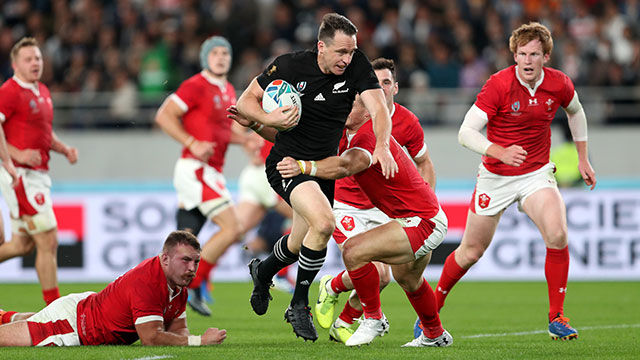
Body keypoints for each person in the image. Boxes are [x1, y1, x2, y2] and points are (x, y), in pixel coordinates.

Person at [232, 13, 397, 341]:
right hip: (287, 164)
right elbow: (244, 102)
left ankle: (262, 272)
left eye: (351, 52)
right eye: (340, 52)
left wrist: (382, 145)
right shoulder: (290, 67)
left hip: (322, 168)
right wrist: (268, 117)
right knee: (324, 224)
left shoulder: (357, 66)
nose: (346, 59)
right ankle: (298, 304)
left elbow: (379, 110)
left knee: (298, 242)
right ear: (321, 47)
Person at [435, 22, 596, 341]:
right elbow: (465, 132)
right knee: (470, 252)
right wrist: (498, 151)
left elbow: (576, 112)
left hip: (536, 174)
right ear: (514, 55)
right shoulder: (498, 85)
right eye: (521, 53)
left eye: (534, 54)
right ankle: (431, 311)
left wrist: (582, 158)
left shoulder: (559, 83)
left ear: (546, 56)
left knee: (558, 233)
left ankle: (556, 317)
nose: (527, 60)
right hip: (495, 177)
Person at [276, 95, 451, 347]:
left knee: (354, 251)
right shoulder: (347, 132)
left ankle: (372, 318)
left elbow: (346, 166)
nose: (346, 106)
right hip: (412, 217)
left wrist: (303, 166)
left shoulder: (368, 136)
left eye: (354, 103)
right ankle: (435, 334)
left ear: (368, 113)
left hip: (422, 221)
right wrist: (257, 123)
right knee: (409, 280)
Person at [313, 58, 436, 343]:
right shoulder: (348, 115)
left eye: (385, 83)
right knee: (377, 273)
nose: (379, 88)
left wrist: (423, 200)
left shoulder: (407, 121)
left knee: (388, 277)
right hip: (345, 204)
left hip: (383, 208)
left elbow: (424, 162)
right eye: (374, 83)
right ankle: (364, 318)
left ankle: (340, 308)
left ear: (395, 88)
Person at [155, 36, 253, 316]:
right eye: (215, 53)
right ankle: (195, 283)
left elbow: (223, 131)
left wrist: (246, 140)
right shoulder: (196, 85)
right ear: (205, 58)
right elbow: (164, 115)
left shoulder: (227, 90)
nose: (221, 57)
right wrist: (192, 142)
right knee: (233, 229)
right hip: (196, 169)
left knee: (184, 240)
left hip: (210, 171)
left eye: (225, 53)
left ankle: (158, 295)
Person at [0, 230, 227, 346]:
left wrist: (186, 340)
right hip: (74, 327)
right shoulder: (148, 282)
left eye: (196, 261)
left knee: (34, 319)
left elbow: (178, 330)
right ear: (165, 259)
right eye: (186, 260)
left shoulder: (178, 286)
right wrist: (200, 341)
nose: (192, 268)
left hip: (82, 307)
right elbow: (150, 338)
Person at [0, 37, 78, 305]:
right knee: (48, 239)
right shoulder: (9, 91)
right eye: (28, 59)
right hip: (19, 175)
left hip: (38, 175)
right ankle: (56, 309)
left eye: (38, 58)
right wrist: (16, 155)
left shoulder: (41, 90)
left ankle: (54, 307)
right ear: (15, 64)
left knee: (22, 245)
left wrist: (63, 148)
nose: (35, 63)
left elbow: (43, 134)